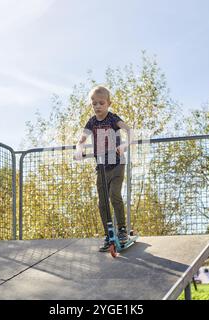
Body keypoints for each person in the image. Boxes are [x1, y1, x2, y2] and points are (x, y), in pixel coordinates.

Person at [74, 85, 133, 252]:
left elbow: (129, 131)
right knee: (102, 203)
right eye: (94, 104)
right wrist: (79, 149)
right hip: (101, 166)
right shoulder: (91, 122)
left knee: (114, 195)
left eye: (101, 103)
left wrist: (124, 144)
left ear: (108, 103)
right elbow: (81, 140)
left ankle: (121, 230)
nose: (97, 106)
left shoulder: (113, 119)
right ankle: (109, 234)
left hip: (117, 163)